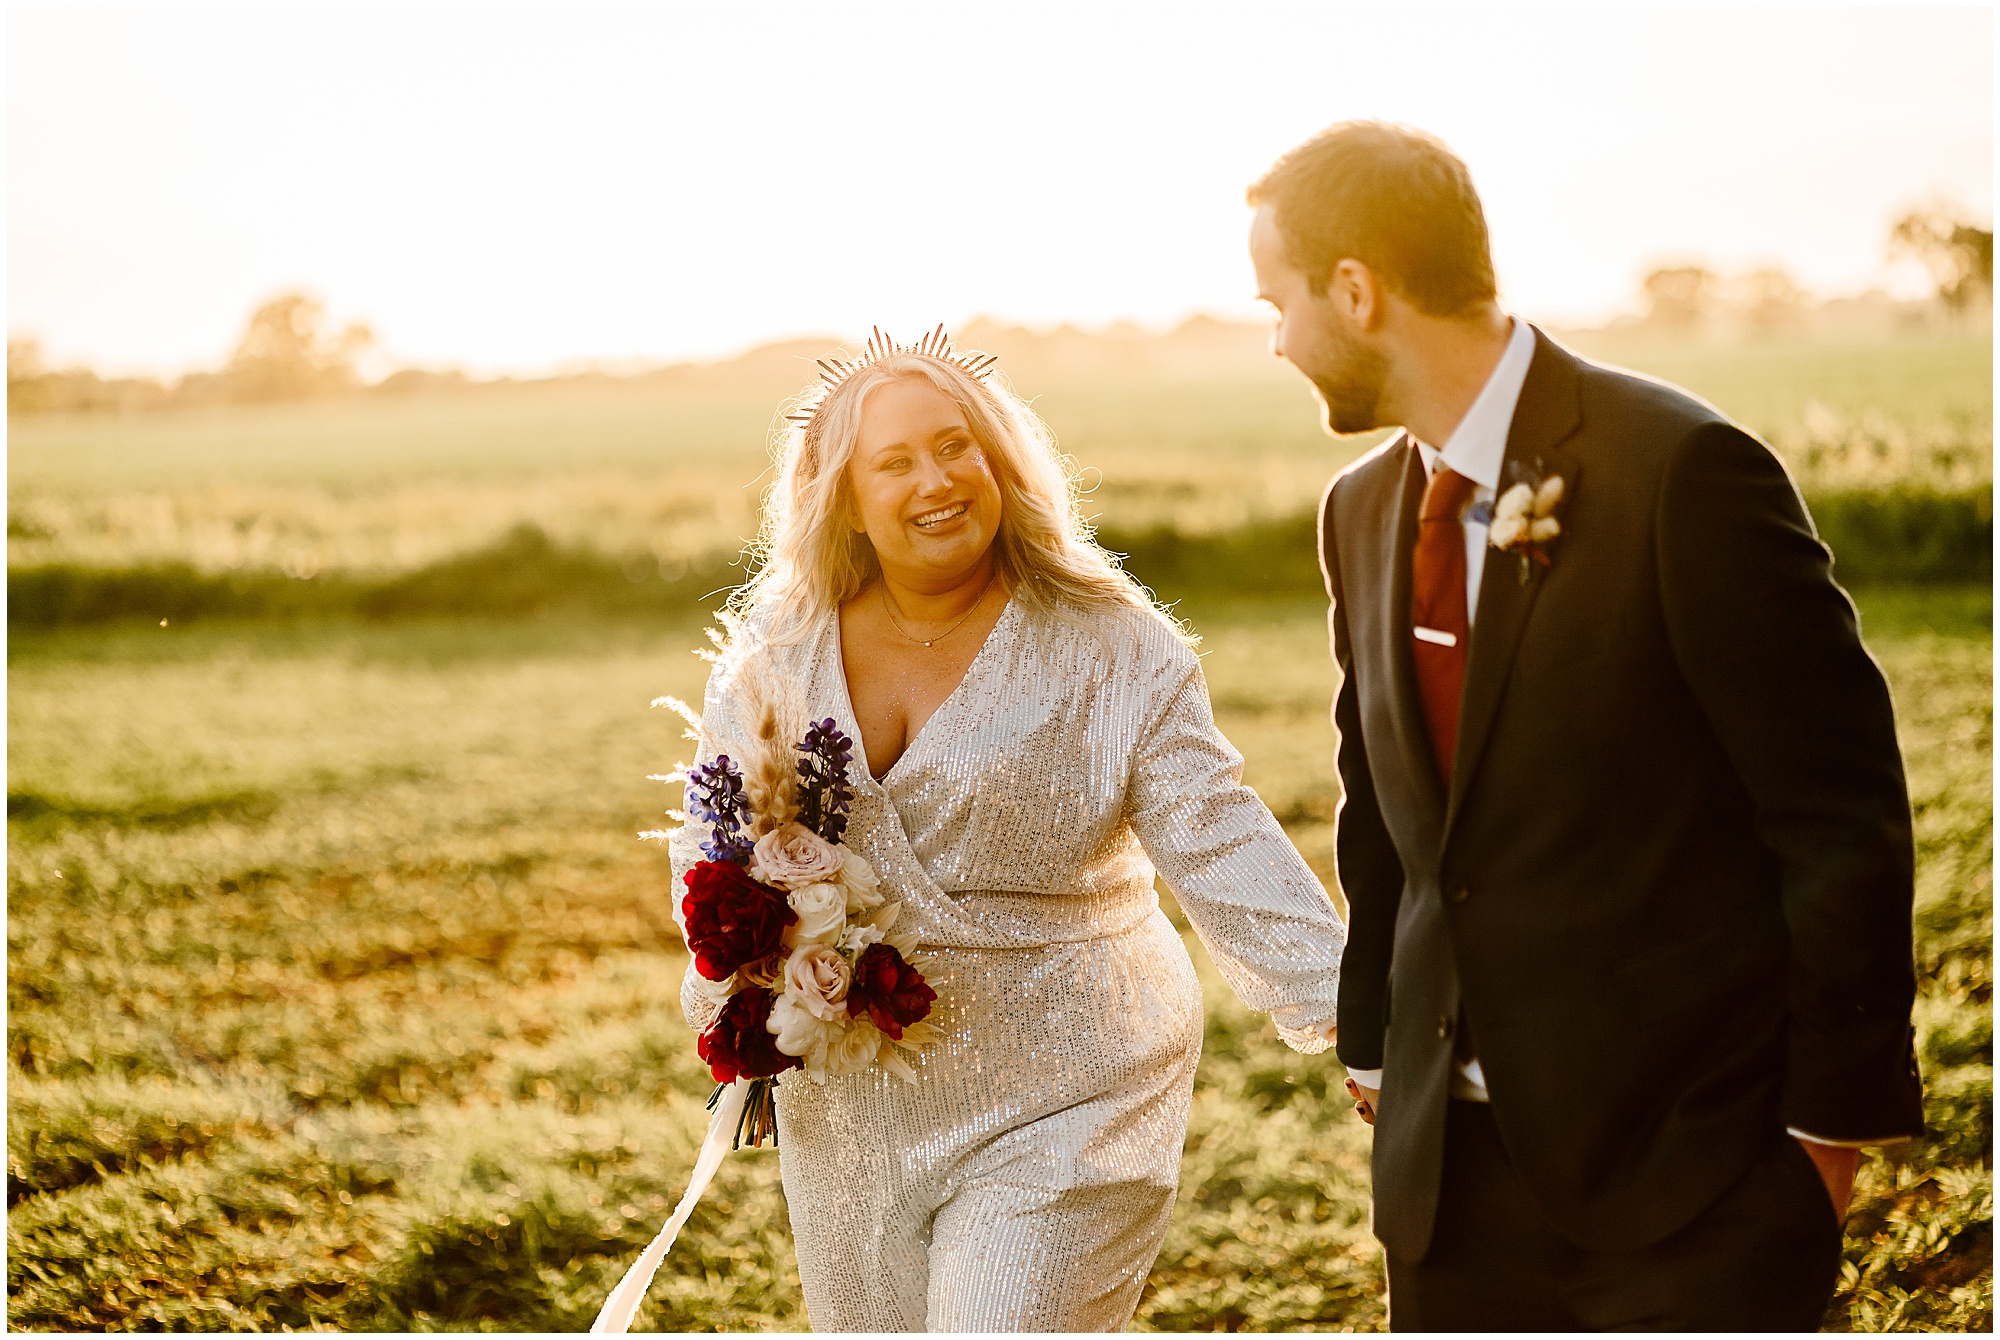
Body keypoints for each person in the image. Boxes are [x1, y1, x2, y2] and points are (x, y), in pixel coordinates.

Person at [1245, 122, 1924, 1330]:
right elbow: (1381, 801)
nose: (1277, 340)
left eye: (1278, 303)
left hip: (1688, 1181)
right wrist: (1373, 1036)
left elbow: (1834, 809)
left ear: (1355, 291)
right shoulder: (1358, 512)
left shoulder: (1681, 469)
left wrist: (1823, 1140)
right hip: (1446, 1188)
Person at [667, 329, 1347, 1332]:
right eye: (892, 460)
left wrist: (1346, 1009)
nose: (935, 478)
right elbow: (709, 842)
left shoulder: (1111, 642)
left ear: (999, 460)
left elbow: (1216, 832)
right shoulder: (779, 651)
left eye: (955, 445)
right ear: (844, 494)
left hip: (1069, 1085)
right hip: (857, 1100)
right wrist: (748, 977)